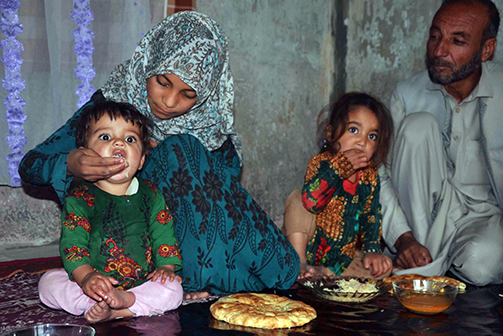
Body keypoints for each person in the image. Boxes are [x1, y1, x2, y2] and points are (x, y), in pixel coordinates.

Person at [19, 11, 299, 298]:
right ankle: (196, 283)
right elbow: (31, 165)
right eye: (163, 82)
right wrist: (70, 163)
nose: (169, 101)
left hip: (184, 247)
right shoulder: (112, 110)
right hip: (126, 238)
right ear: (149, 64)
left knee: (183, 147)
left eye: (188, 94)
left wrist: (175, 157)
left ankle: (206, 279)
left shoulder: (210, 125)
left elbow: (222, 205)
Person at [379, 0, 503, 286]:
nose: (438, 51)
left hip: (483, 216)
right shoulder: (407, 94)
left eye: (457, 41)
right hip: (421, 219)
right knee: (418, 126)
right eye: (435, 36)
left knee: (481, 266)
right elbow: (380, 174)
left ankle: (416, 271)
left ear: (487, 49)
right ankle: (416, 258)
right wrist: (404, 238)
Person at [38, 101, 183, 323]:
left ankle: (123, 305)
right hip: (92, 283)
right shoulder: (80, 198)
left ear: (142, 159)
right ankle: (98, 303)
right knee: (48, 283)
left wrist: (166, 267)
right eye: (105, 137)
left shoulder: (151, 194)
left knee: (173, 290)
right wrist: (86, 277)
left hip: (141, 283)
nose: (119, 143)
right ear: (84, 154)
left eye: (130, 139)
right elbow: (73, 245)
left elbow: (163, 233)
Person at [283, 92, 393, 280]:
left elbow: (371, 215)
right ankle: (298, 263)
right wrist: (339, 168)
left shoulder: (369, 177)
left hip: (340, 257)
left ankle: (321, 273)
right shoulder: (321, 163)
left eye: (372, 136)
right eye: (354, 130)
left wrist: (372, 249)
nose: (362, 141)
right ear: (331, 133)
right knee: (298, 198)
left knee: (384, 269)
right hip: (305, 242)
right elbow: (312, 203)